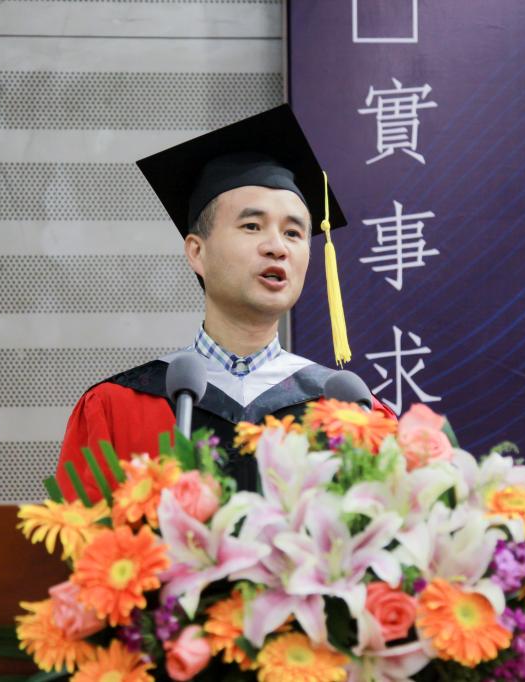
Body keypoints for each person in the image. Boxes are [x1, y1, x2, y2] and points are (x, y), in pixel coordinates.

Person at [55, 105, 394, 502]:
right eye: (252, 226)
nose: (277, 247)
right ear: (197, 252)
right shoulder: (117, 407)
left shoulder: (352, 413)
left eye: (293, 233)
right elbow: (76, 537)